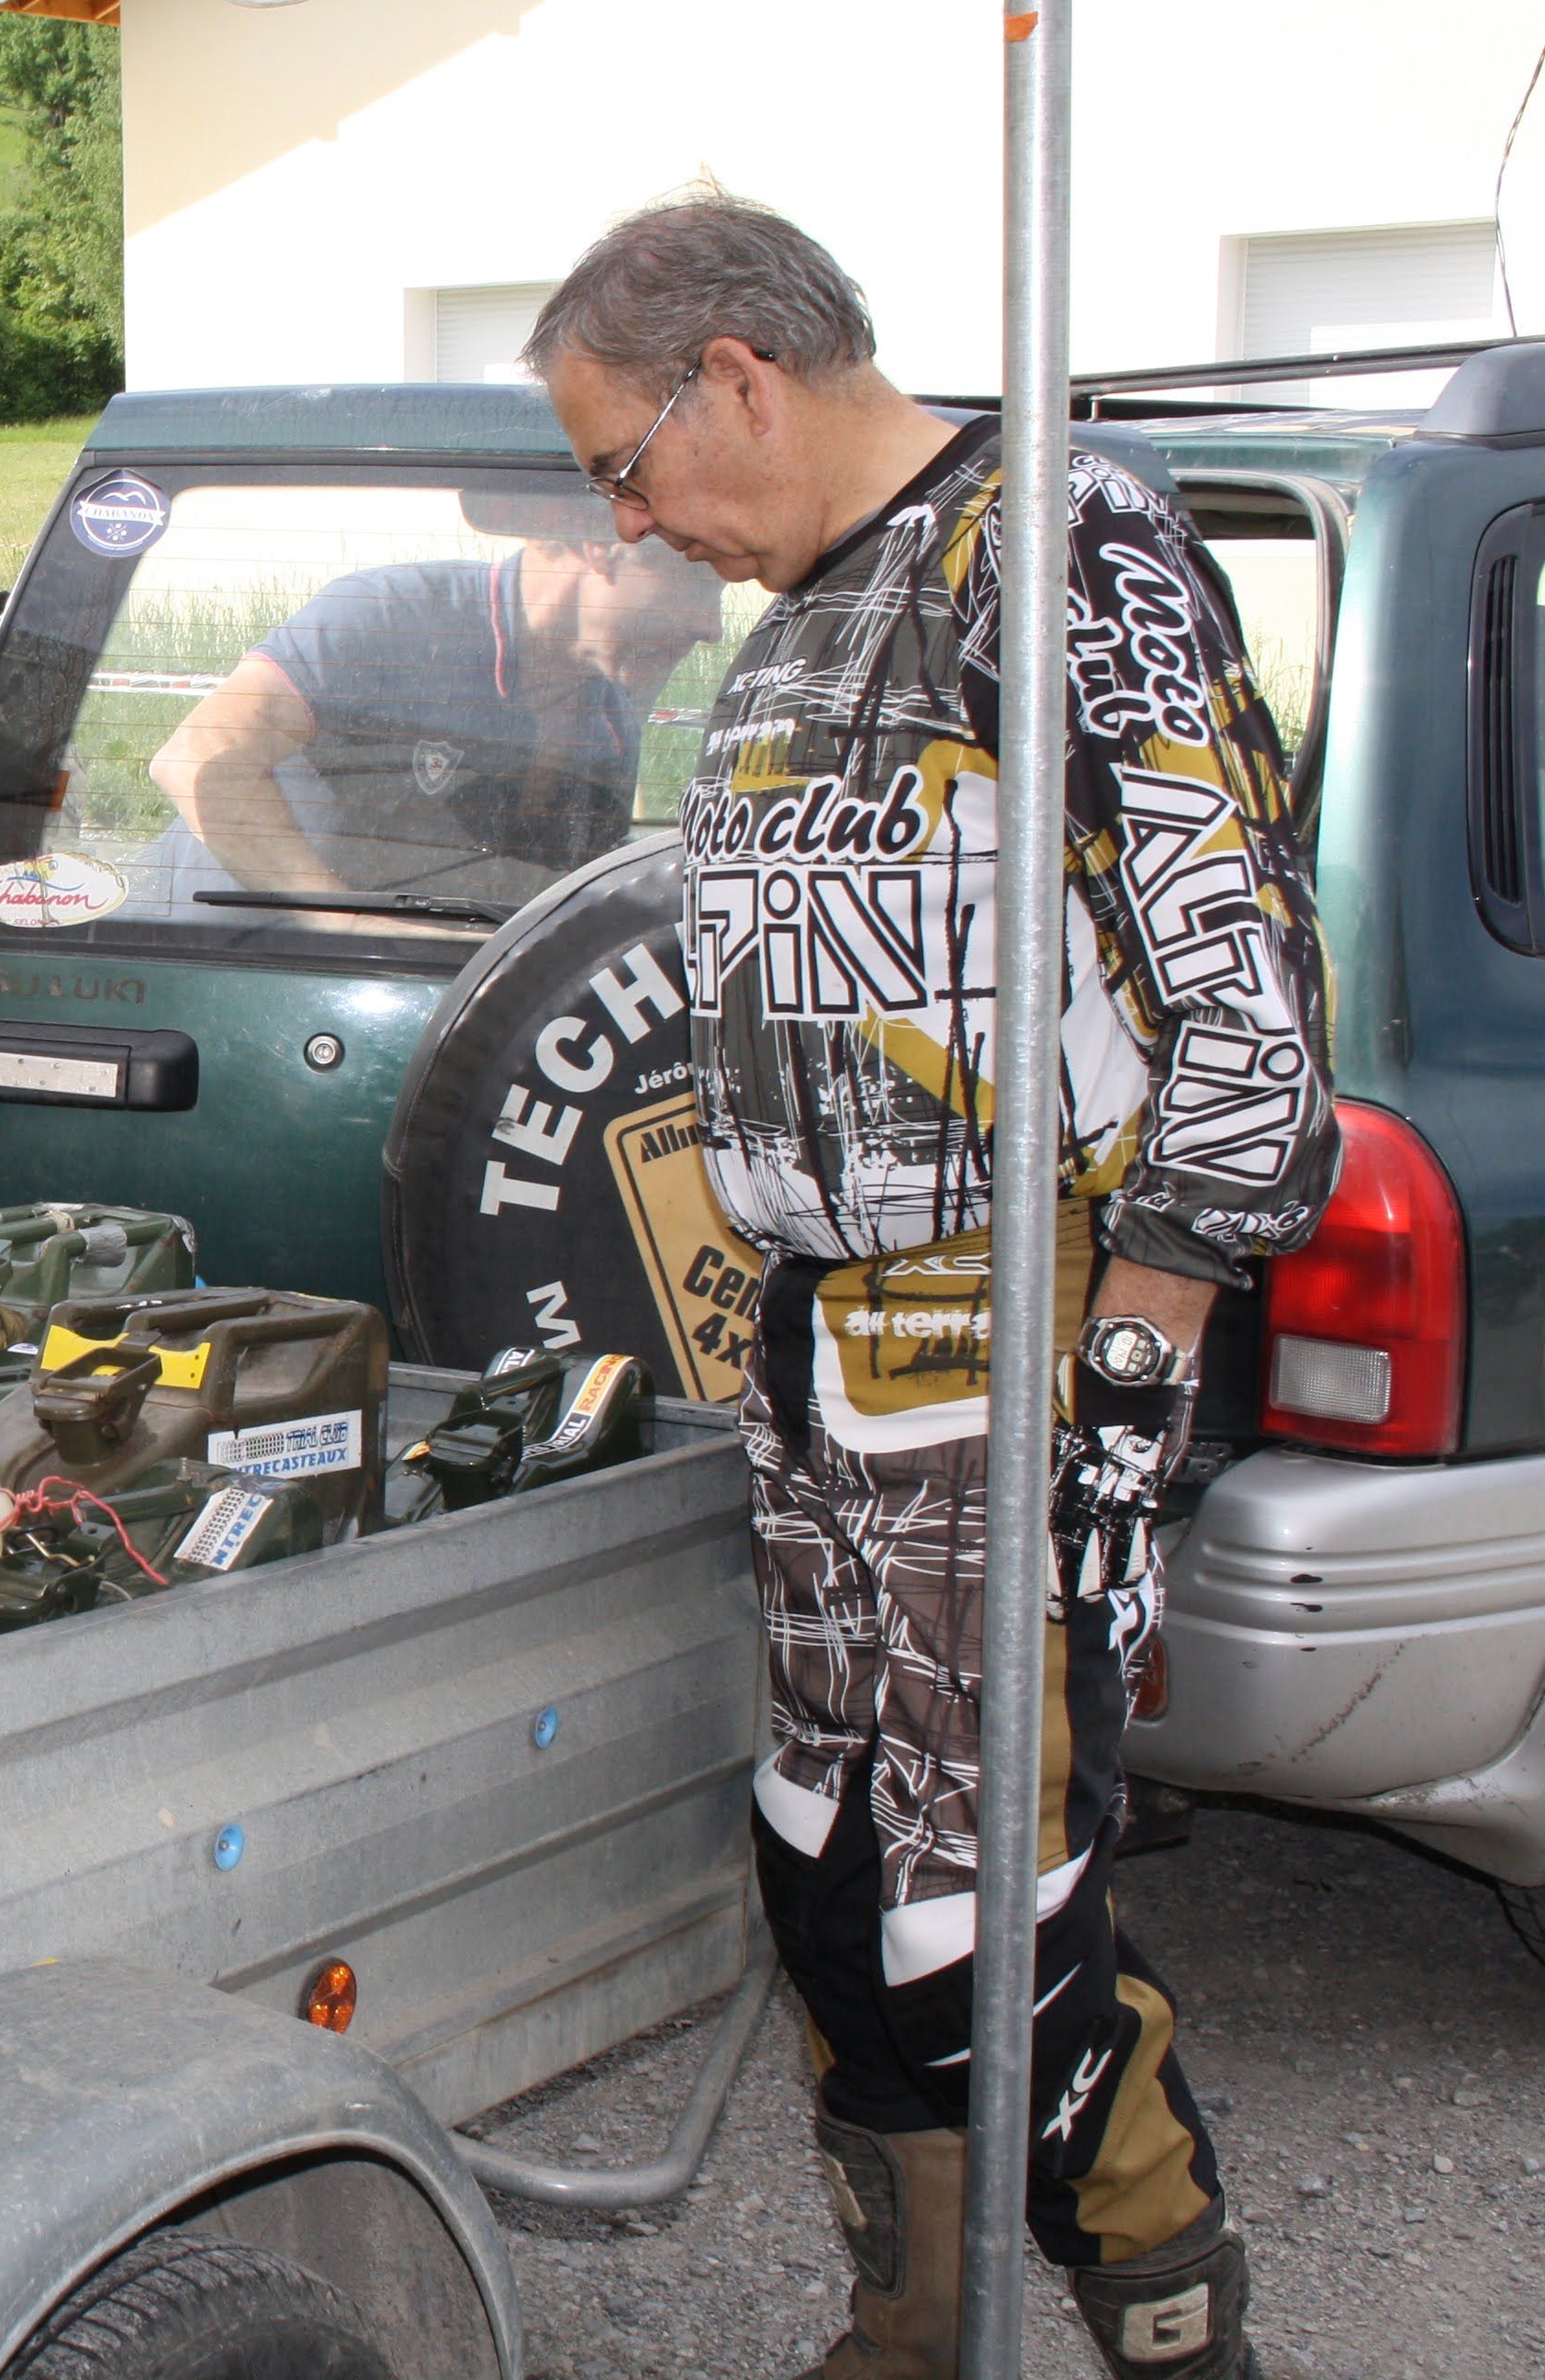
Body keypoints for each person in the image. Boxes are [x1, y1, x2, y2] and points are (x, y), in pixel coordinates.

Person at [528, 196, 1332, 2380]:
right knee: (830, 1877)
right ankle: (907, 2328)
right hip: (822, 1342)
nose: (630, 524)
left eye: (625, 464)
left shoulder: (1059, 541)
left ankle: (1174, 2334)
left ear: (737, 374)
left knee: (991, 1919)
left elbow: (1247, 1006)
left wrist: (1133, 1365)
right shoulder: (801, 613)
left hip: (1019, 1328)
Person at [148, 489, 722, 911]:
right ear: (603, 546)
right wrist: (344, 923)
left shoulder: (609, 723)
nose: (711, 627)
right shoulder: (390, 615)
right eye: (698, 584)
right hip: (207, 964)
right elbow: (195, 758)